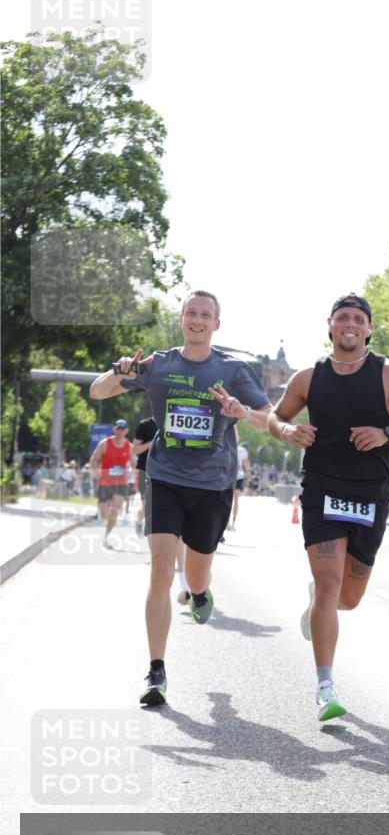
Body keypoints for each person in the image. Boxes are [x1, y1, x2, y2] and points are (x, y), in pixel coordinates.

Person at [90, 290, 271, 707]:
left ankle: (201, 592)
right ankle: (156, 670)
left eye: (205, 315)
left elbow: (270, 417)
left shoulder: (232, 369)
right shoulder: (158, 364)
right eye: (191, 312)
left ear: (216, 324)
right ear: (181, 319)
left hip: (212, 485)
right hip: (164, 477)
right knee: (159, 570)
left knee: (197, 575)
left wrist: (240, 412)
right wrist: (120, 372)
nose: (197, 320)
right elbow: (99, 392)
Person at [268, 292, 389, 722]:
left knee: (350, 597)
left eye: (358, 318)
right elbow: (275, 417)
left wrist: (387, 435)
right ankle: (325, 686)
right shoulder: (307, 377)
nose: (350, 323)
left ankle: (320, 605)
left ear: (369, 328)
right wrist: (289, 433)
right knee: (327, 584)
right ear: (330, 324)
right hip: (322, 490)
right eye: (343, 317)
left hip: (370, 495)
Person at [89, 420, 135, 548]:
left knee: (115, 511)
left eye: (123, 429)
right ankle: (107, 520)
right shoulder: (105, 444)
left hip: (121, 482)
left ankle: (106, 536)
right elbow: (94, 459)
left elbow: (135, 463)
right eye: (118, 428)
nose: (120, 431)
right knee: (104, 512)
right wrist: (94, 471)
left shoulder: (129, 447)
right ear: (114, 429)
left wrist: (130, 472)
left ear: (126, 431)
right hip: (105, 481)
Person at [133, 415, 159, 535]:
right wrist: (152, 442)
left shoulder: (171, 424)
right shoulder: (144, 425)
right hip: (145, 471)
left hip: (164, 473)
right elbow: (135, 450)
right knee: (147, 505)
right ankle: (139, 521)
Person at [229, 436, 250, 531]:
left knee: (232, 500)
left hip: (234, 477)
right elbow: (246, 464)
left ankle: (231, 522)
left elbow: (246, 463)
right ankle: (230, 523)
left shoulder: (239, 450)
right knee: (232, 500)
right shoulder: (238, 449)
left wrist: (248, 472)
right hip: (233, 477)